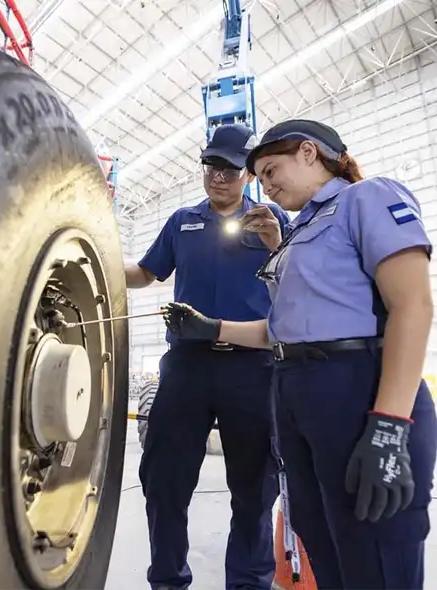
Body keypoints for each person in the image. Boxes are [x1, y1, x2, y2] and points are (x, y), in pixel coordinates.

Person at [162, 118, 437, 589]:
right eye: (260, 177)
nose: (266, 186)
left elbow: (412, 304)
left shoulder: (366, 198)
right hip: (297, 394)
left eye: (271, 171)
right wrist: (212, 328)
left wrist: (390, 426)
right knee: (322, 536)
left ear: (309, 152)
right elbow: (284, 328)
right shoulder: (298, 231)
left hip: (355, 386)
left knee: (372, 544)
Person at [125, 123, 291, 590]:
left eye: (230, 169)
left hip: (253, 367)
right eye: (212, 166)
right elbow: (145, 273)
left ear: (249, 174)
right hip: (188, 367)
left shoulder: (272, 219)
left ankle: (248, 583)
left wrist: (278, 243)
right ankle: (168, 579)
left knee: (254, 488)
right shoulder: (182, 222)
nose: (219, 176)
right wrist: (91, 260)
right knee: (164, 480)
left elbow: (303, 279)